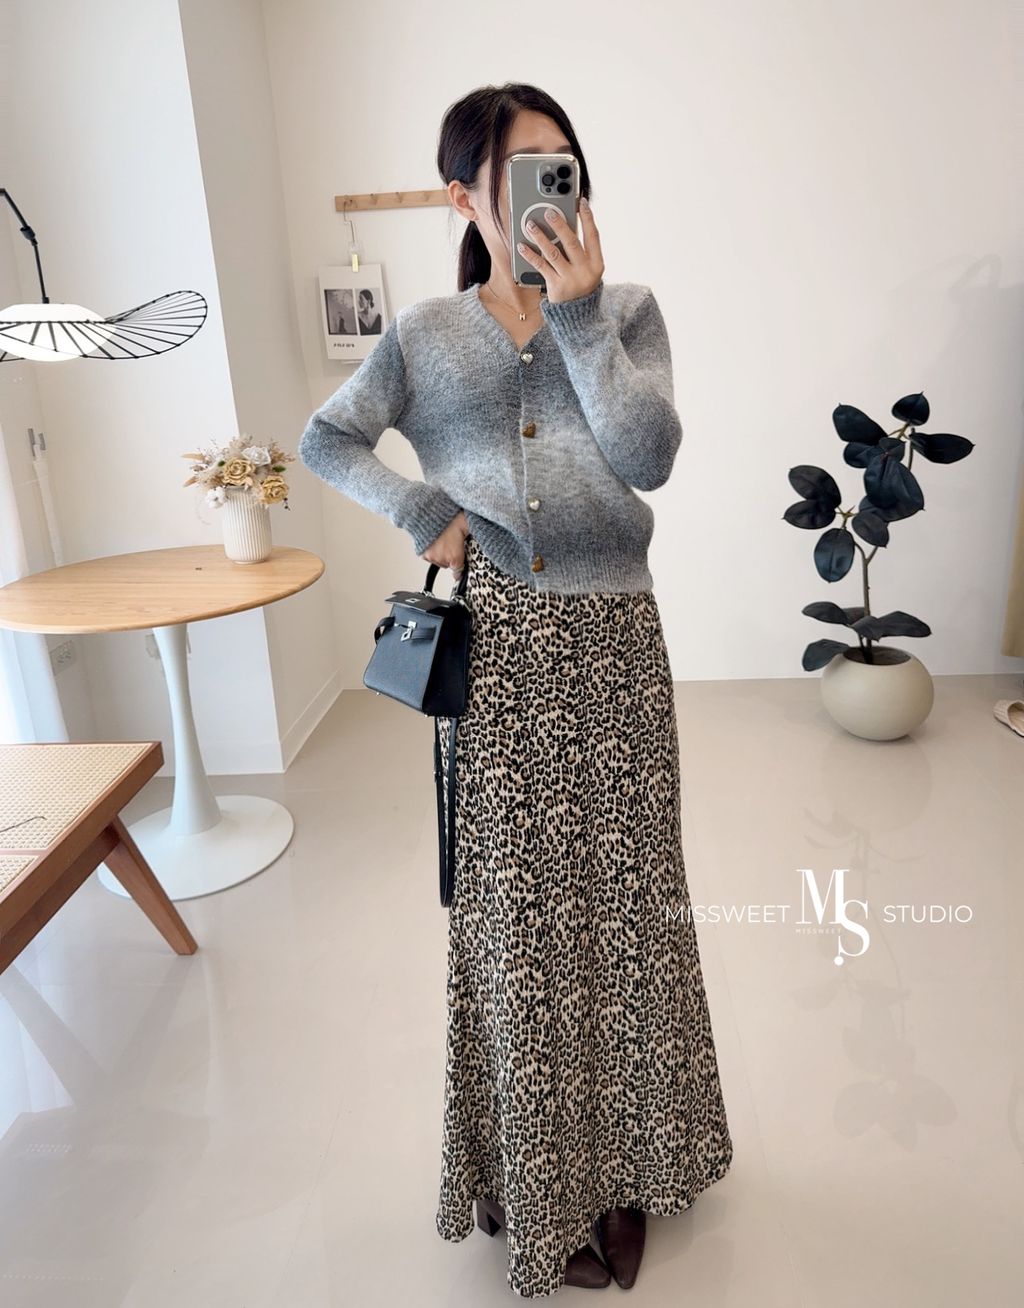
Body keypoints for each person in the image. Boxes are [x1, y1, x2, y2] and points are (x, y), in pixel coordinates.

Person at [298, 81, 734, 1299]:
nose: (556, 190)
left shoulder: (627, 312)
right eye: (527, 169)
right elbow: (327, 439)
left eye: (566, 166)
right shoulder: (427, 335)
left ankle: (631, 1170)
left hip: (616, 649)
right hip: (496, 654)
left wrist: (581, 317)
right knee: (515, 926)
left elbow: (650, 457)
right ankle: (536, 1180)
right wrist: (423, 512)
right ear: (465, 198)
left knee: (629, 910)